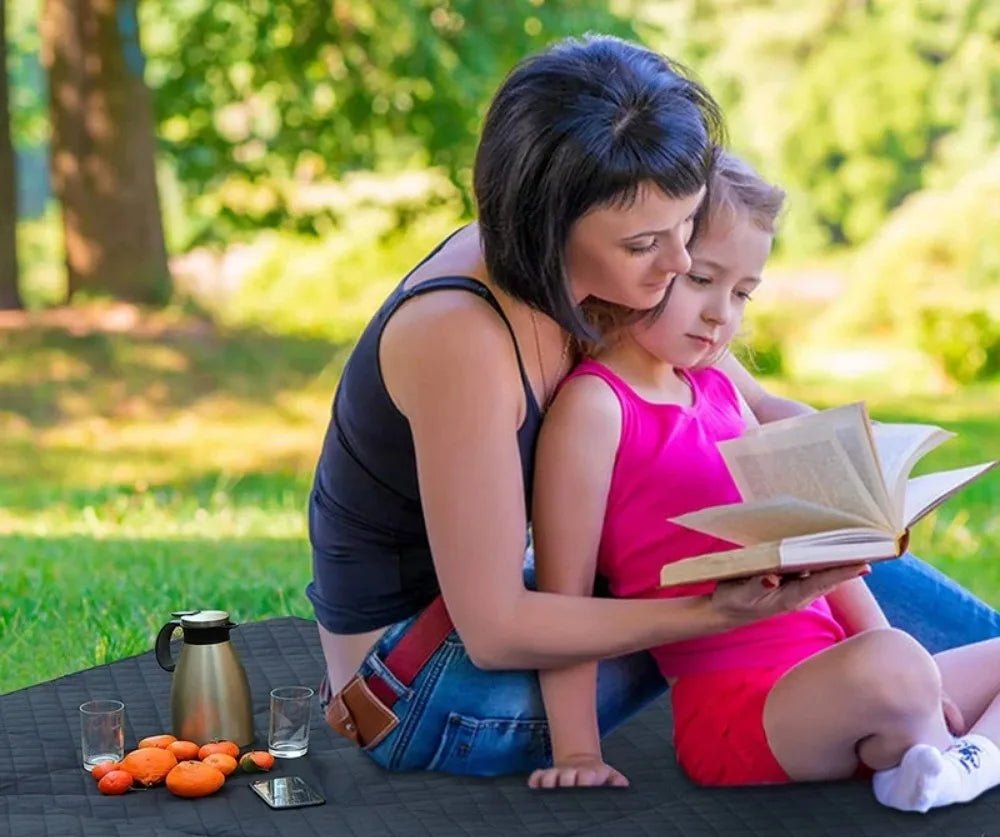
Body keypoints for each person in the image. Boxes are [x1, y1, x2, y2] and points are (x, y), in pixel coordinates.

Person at [306, 34, 1000, 783]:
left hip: (519, 616)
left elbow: (763, 407)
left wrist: (857, 486)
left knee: (821, 550)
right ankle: (905, 719)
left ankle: (934, 726)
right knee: (789, 597)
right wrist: (717, 613)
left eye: (686, 232)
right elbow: (497, 631)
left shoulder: (611, 275)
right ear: (551, 227)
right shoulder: (461, 338)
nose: (674, 268)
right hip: (428, 688)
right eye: (648, 244)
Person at [527, 151, 1000, 813]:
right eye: (703, 281)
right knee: (893, 667)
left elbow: (826, 556)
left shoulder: (719, 389)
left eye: (743, 292)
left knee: (909, 660)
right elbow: (564, 598)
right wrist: (577, 752)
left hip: (840, 672)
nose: (722, 314)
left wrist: (909, 671)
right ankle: (944, 754)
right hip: (742, 709)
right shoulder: (597, 408)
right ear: (647, 262)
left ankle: (950, 761)